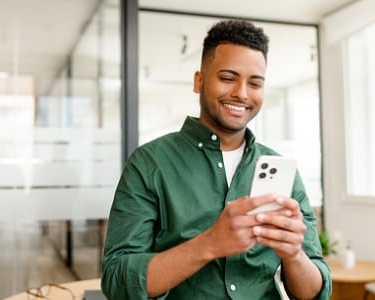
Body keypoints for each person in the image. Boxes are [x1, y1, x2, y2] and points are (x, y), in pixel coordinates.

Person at [101, 19, 331, 299]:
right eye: (227, 78)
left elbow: (314, 292)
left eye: (255, 83)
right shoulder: (149, 164)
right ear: (199, 81)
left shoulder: (281, 170)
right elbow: (116, 279)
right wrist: (209, 244)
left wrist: (294, 255)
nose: (242, 93)